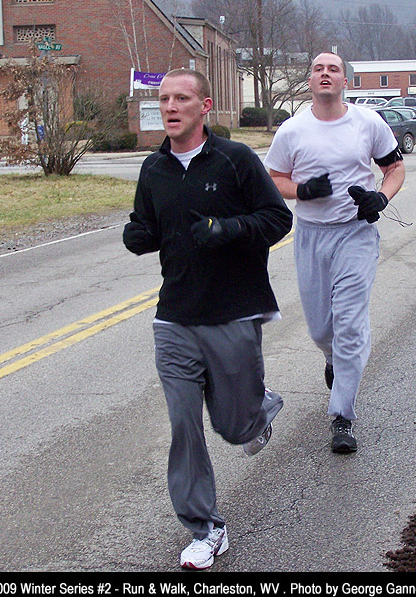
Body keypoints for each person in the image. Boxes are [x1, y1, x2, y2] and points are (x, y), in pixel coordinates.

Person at [123, 68, 292, 570]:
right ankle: (206, 528)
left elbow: (277, 218)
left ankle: (257, 408)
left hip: (232, 311)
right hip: (174, 316)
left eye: (181, 98)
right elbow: (147, 224)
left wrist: (227, 229)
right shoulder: (154, 168)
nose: (170, 107)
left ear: (205, 106)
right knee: (183, 424)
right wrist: (138, 235)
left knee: (234, 429)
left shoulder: (235, 159)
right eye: (164, 99)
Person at [264, 52, 405, 454]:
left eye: (334, 69)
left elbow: (394, 169)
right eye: (318, 69)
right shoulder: (293, 130)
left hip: (355, 233)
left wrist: (380, 197)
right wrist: (302, 190)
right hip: (311, 236)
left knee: (350, 324)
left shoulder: (368, 122)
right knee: (320, 329)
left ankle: (342, 414)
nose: (325, 74)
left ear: (346, 81)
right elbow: (275, 178)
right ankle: (332, 358)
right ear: (310, 80)